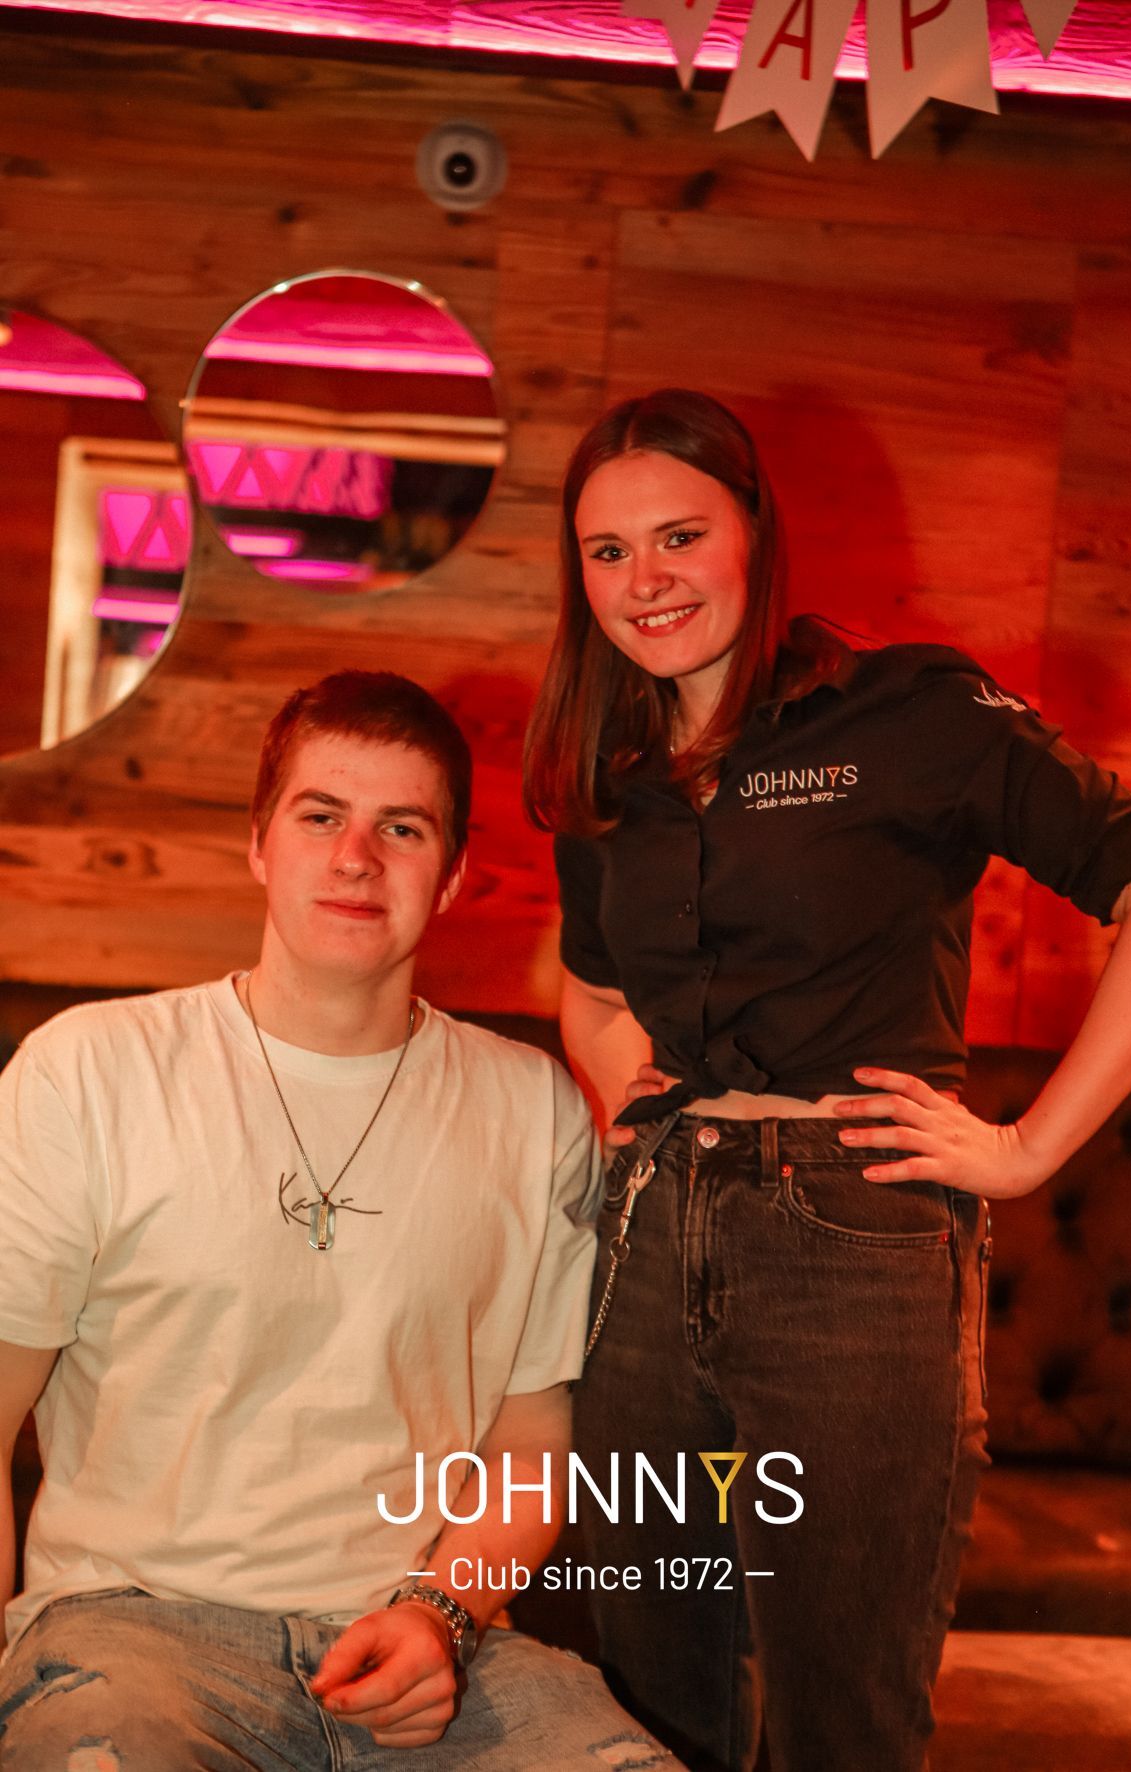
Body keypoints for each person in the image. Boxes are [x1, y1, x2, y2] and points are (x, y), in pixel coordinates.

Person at [522, 388, 1131, 1772]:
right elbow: (590, 988)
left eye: (680, 536)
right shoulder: (611, 766)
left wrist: (1027, 1148)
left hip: (854, 1243)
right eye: (607, 552)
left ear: (755, 534)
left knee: (841, 1722)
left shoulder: (911, 710)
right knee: (643, 1704)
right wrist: (635, 1099)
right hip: (646, 1250)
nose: (644, 581)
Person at [0, 670, 681, 1771]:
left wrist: (442, 1612)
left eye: (400, 827)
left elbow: (531, 1439)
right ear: (259, 844)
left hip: (422, 1645)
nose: (356, 857)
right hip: (134, 1634)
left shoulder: (532, 1107)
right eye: (321, 816)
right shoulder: (90, 1072)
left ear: (451, 875)